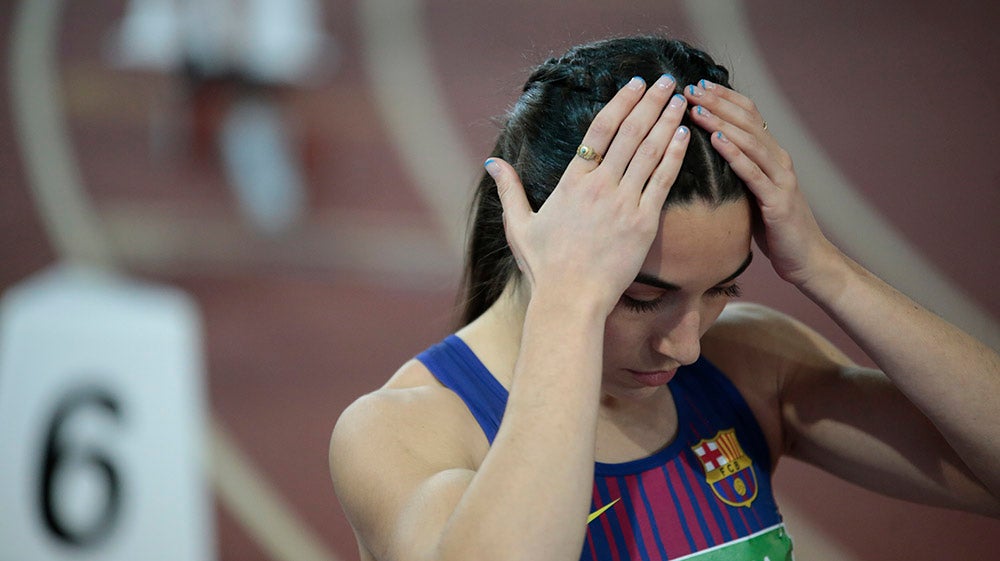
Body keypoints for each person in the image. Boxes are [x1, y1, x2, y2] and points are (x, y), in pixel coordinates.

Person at [328, 35, 1000, 561]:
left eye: (722, 288)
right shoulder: (404, 431)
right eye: (643, 298)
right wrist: (570, 302)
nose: (686, 344)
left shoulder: (747, 365)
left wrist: (828, 271)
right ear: (536, 240)